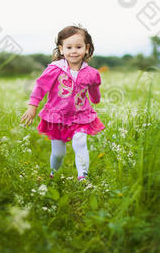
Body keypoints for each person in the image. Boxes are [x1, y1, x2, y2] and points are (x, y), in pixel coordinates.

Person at [21, 25, 104, 181]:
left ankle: (83, 177)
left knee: (80, 142)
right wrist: (32, 107)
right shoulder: (54, 69)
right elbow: (40, 88)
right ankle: (54, 173)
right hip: (56, 116)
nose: (74, 51)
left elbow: (94, 90)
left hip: (80, 115)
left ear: (86, 49)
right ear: (61, 49)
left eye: (78, 47)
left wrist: (96, 99)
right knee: (58, 153)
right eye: (69, 47)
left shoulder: (91, 73)